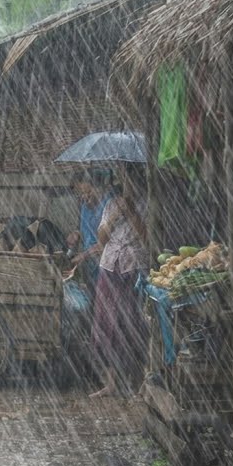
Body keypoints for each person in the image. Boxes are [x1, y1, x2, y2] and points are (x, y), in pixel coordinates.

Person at [90, 168, 148, 398]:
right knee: (107, 325)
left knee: (133, 325)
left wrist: (133, 214)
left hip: (133, 268)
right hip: (109, 267)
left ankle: (139, 383)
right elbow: (101, 239)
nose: (128, 187)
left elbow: (146, 237)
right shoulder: (112, 204)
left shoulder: (148, 204)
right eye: (125, 182)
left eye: (132, 182)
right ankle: (111, 382)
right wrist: (114, 217)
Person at [69, 169, 113, 287]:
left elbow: (104, 243)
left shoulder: (109, 206)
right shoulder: (85, 207)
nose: (84, 197)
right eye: (80, 194)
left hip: (106, 266)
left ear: (99, 189)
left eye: (88, 193)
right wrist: (77, 233)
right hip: (90, 266)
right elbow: (87, 231)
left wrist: (83, 256)